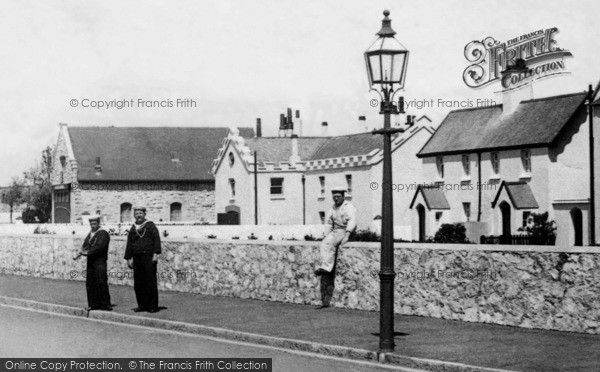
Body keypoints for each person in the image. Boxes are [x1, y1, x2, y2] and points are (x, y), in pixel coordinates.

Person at [314, 186, 357, 309]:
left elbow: (352, 221)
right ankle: (323, 266)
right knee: (324, 244)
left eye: (338, 197)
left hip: (345, 231)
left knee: (332, 245)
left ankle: (327, 268)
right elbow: (328, 223)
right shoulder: (332, 208)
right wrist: (326, 236)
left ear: (343, 197)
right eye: (334, 197)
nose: (336, 199)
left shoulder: (349, 207)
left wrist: (347, 235)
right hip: (335, 230)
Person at [124, 206, 162, 313]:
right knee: (139, 282)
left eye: (140, 213)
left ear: (144, 214)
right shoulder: (133, 228)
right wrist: (128, 258)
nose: (139, 215)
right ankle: (142, 305)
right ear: (134, 215)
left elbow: (156, 240)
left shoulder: (150, 225)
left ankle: (152, 306)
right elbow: (129, 244)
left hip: (149, 257)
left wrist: (155, 254)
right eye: (136, 213)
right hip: (137, 257)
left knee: (150, 281)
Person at [75, 215, 112, 311]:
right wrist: (82, 250)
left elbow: (99, 247)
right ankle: (93, 304)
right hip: (91, 260)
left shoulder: (103, 233)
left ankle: (105, 304)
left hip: (100, 260)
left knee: (101, 281)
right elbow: (86, 244)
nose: (93, 225)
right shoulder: (91, 233)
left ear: (98, 223)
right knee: (90, 282)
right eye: (91, 224)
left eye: (94, 223)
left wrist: (87, 252)